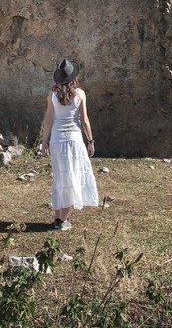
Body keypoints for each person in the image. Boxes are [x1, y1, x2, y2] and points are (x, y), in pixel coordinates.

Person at [39, 58, 99, 230]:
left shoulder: (52, 94)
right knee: (73, 176)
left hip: (57, 139)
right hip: (74, 140)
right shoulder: (80, 94)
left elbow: (48, 119)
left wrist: (45, 142)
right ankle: (62, 219)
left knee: (60, 177)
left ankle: (58, 218)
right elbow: (84, 120)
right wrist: (90, 140)